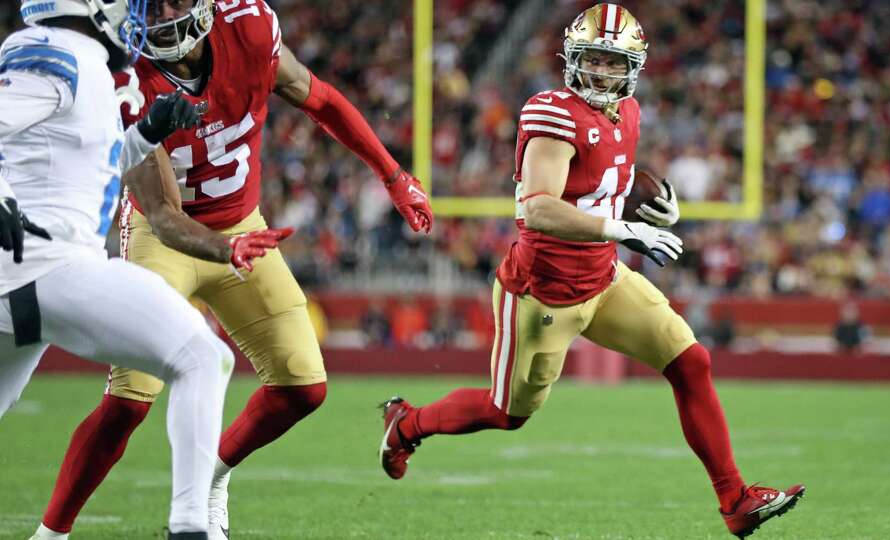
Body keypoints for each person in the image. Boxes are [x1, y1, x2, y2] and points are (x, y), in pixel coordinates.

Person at [378, 4, 803, 539]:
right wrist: (623, 232)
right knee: (506, 411)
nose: (602, 72)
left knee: (691, 361)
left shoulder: (628, 113)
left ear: (633, 67)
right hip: (542, 294)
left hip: (603, 280)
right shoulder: (553, 114)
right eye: (594, 59)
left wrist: (650, 211)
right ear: (572, 59)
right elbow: (539, 208)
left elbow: (600, 191)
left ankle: (735, 500)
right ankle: (407, 424)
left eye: (613, 62)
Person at [33, 1, 434, 539]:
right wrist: (229, 249)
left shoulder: (247, 27)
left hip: (244, 223)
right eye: (150, 4)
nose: (160, 14)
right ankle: (51, 533)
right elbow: (165, 216)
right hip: (165, 239)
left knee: (303, 386)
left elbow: (317, 96)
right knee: (131, 397)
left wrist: (391, 175)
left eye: (174, 1)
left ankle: (215, 475)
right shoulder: (120, 75)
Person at [0, 0, 285, 537]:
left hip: (24, 274)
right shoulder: (56, 51)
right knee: (202, 357)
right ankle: (189, 528)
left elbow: (89, 159)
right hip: (47, 261)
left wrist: (148, 131)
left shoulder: (86, 61)